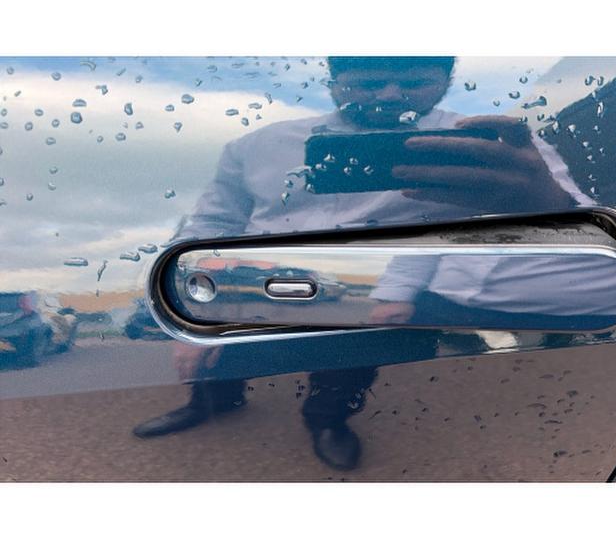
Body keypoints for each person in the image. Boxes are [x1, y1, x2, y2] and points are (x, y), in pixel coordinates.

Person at [132, 56, 582, 470]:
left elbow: (581, 228)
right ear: (333, 84)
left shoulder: (490, 145)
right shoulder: (258, 144)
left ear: (446, 81)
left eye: (413, 83)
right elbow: (213, 222)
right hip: (257, 279)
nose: (390, 95)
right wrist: (191, 305)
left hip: (373, 287)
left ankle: (327, 421)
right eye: (369, 83)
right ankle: (209, 402)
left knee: (346, 369)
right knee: (220, 358)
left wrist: (542, 200)